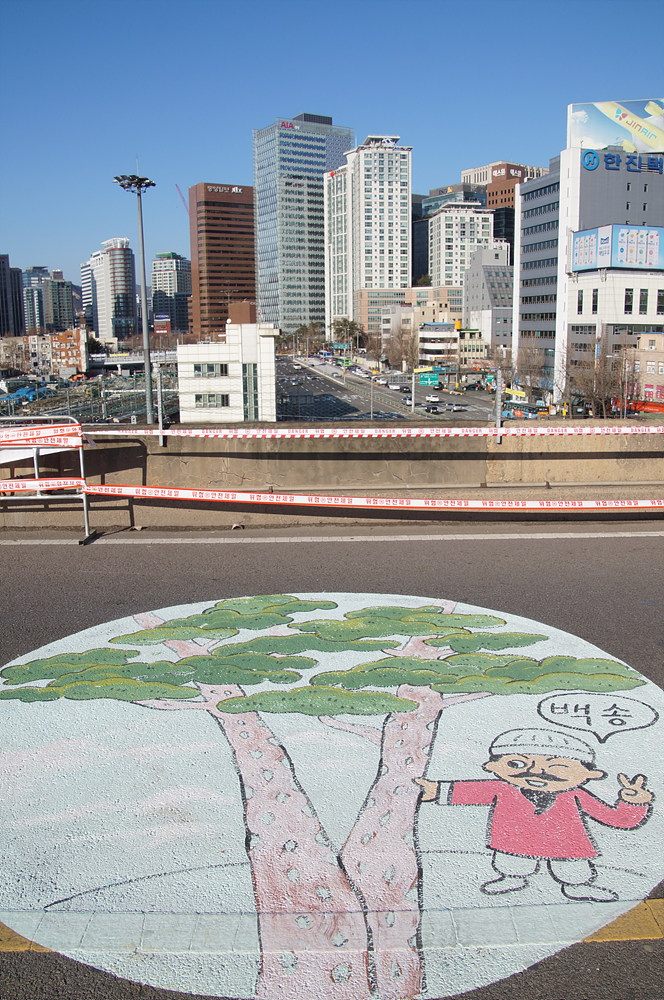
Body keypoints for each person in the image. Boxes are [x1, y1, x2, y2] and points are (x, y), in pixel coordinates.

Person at [415, 727, 653, 901]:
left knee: (573, 870)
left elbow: (615, 818)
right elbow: (471, 792)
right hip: (514, 842)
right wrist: (436, 791)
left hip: (566, 846)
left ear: (590, 774)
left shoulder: (577, 795)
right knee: (512, 863)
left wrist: (633, 803)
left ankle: (578, 886)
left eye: (558, 767)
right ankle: (512, 879)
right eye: (517, 764)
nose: (538, 773)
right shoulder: (502, 788)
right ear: (492, 766)